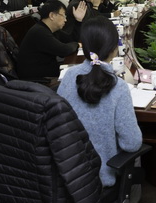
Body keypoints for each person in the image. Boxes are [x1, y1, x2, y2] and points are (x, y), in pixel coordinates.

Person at [57, 16, 142, 188]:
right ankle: (130, 199)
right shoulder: (119, 87)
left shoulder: (69, 76)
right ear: (114, 49)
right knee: (137, 157)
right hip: (100, 178)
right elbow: (131, 144)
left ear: (84, 46)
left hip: (65, 172)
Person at [17, 0, 80, 80]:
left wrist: (78, 21)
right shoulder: (39, 32)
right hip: (38, 79)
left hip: (48, 70)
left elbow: (71, 40)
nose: (65, 20)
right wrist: (78, 45)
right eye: (63, 15)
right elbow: (63, 50)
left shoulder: (52, 29)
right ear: (52, 15)